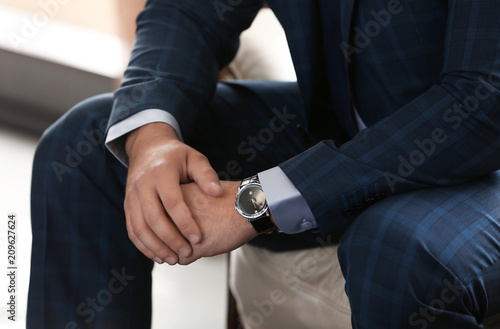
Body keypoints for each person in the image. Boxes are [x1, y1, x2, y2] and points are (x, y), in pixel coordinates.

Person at [27, 0, 500, 328]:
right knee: (89, 144)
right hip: (349, 131)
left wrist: (257, 202)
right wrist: (152, 139)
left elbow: (482, 103)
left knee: (394, 251)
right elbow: (189, 11)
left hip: (484, 163)